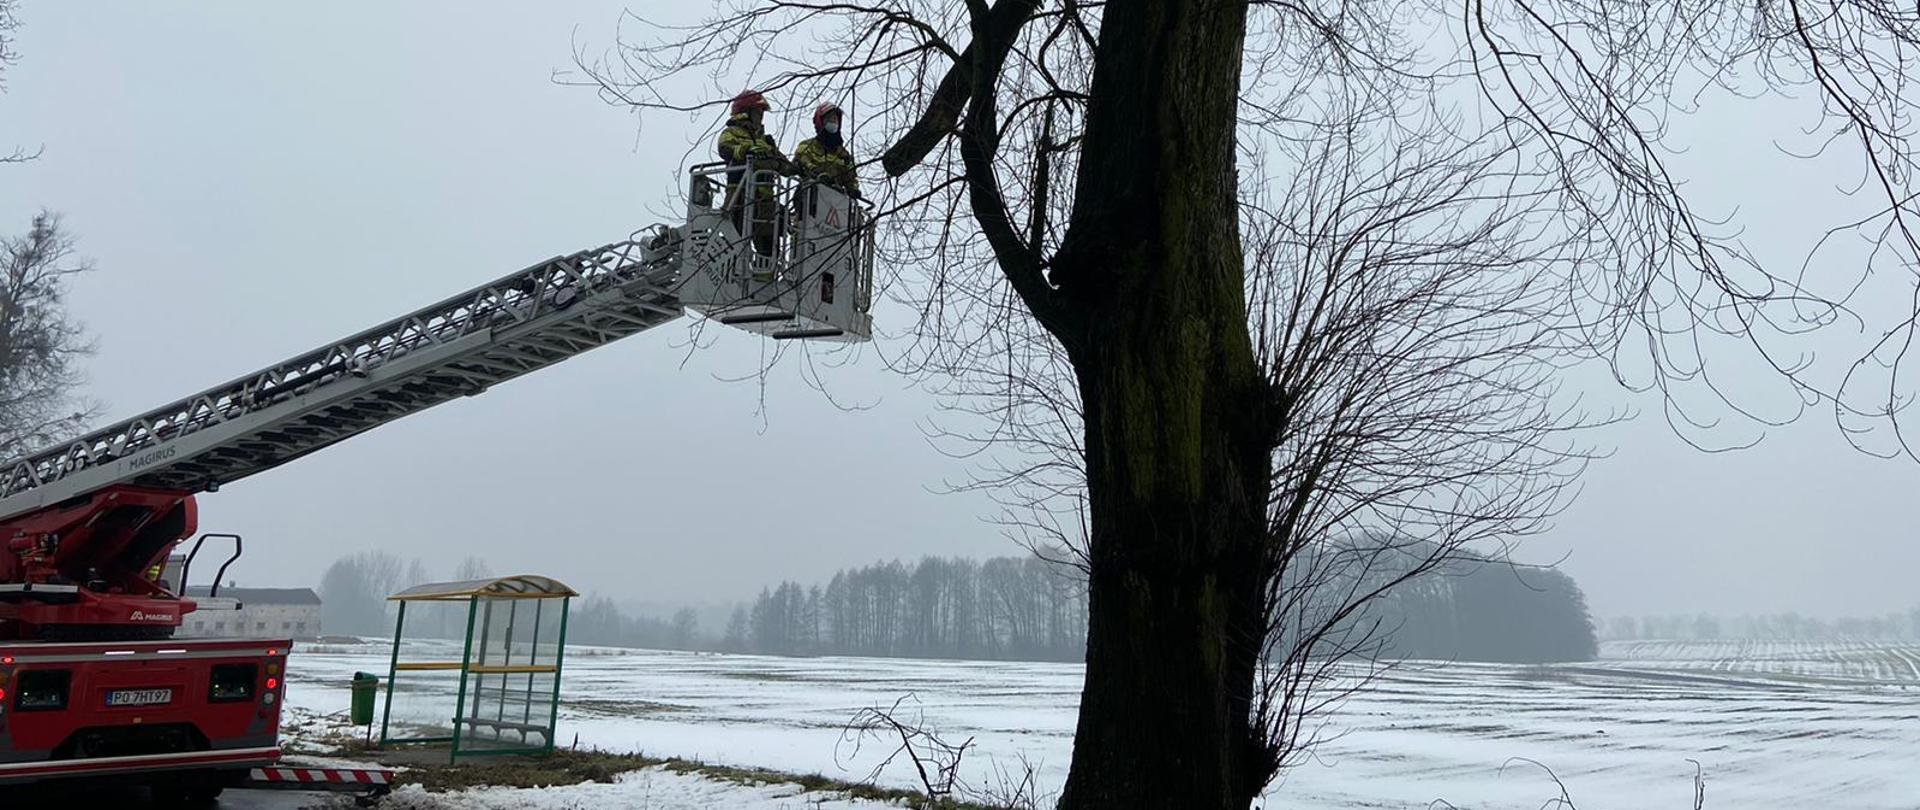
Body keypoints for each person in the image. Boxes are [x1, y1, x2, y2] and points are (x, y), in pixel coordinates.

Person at [716, 89, 796, 267]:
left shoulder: (765, 142)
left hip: (764, 201)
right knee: (736, 241)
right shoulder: (732, 132)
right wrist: (746, 150)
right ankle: (733, 274)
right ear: (746, 112)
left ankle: (765, 279)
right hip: (740, 197)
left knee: (769, 246)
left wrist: (796, 170)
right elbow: (725, 148)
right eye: (758, 112)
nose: (761, 116)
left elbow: (785, 165)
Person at [793, 102, 859, 198]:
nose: (833, 122)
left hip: (836, 200)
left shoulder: (843, 154)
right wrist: (818, 174)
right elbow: (802, 163)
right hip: (810, 195)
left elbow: (851, 177)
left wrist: (853, 189)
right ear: (820, 122)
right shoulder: (807, 147)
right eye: (829, 119)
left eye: (835, 120)